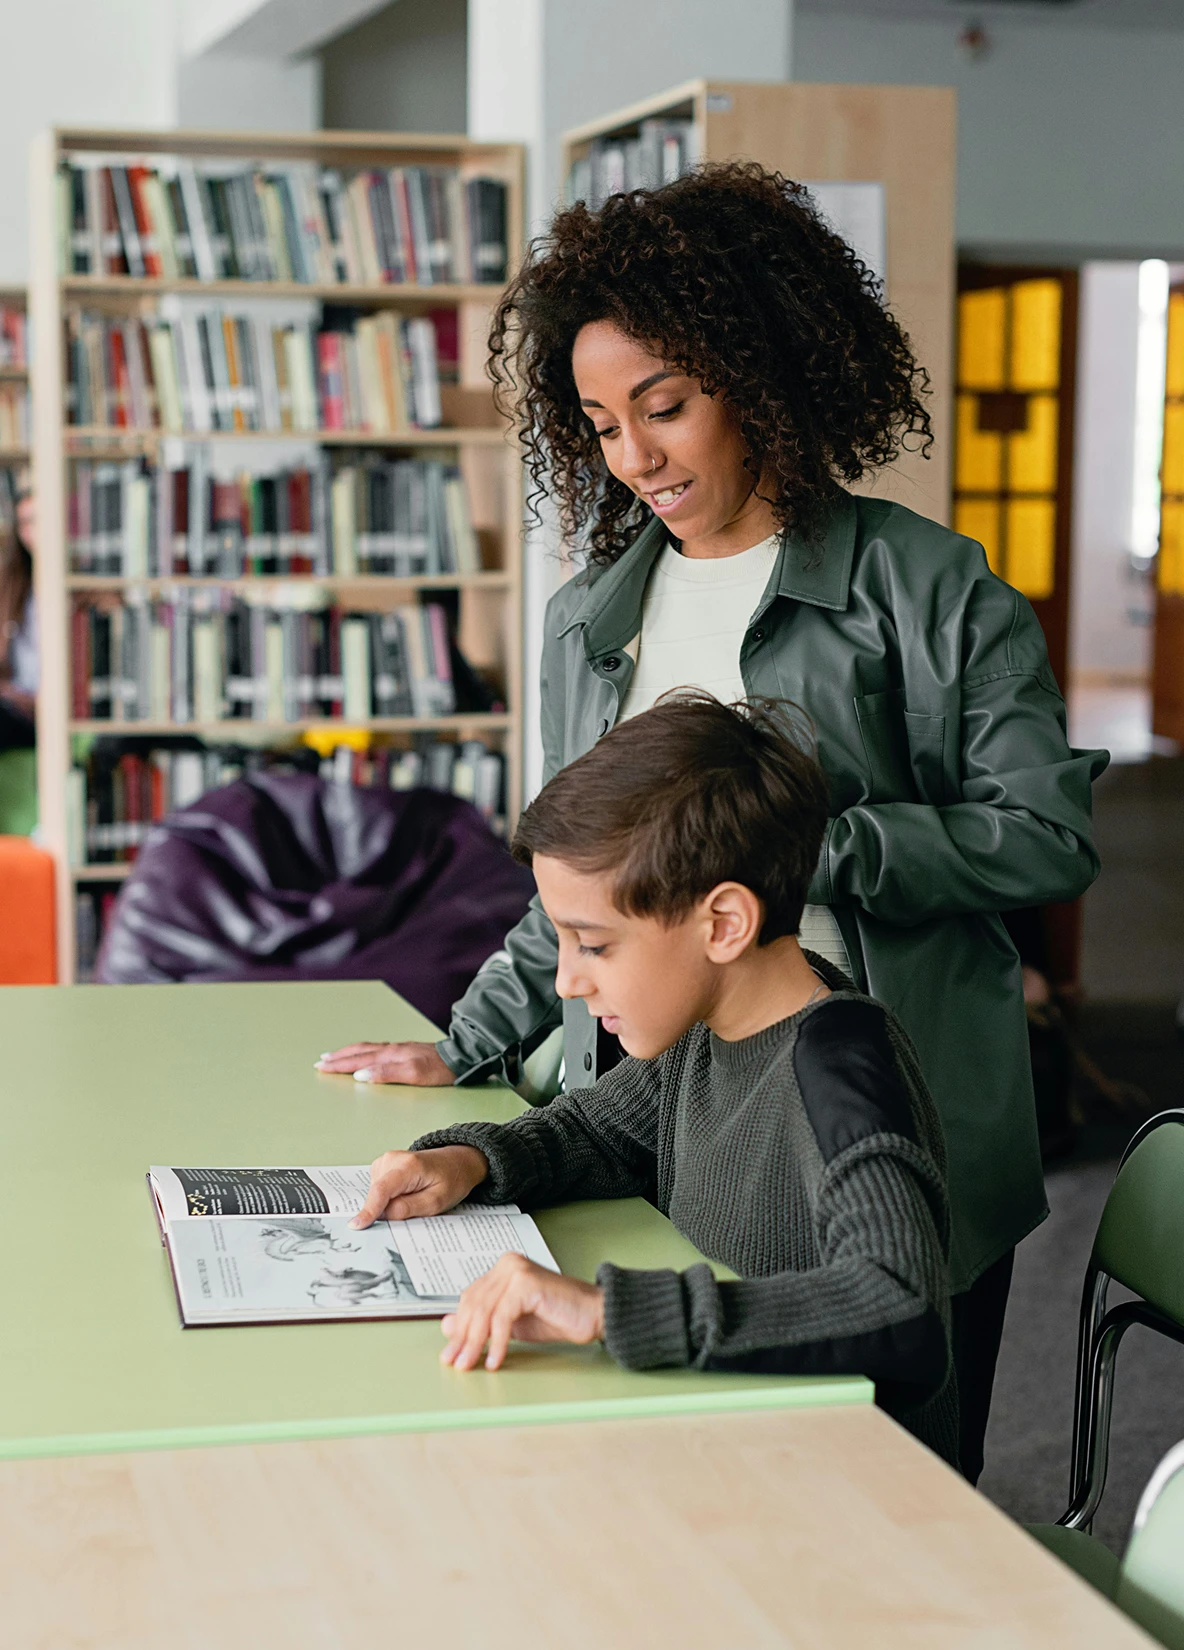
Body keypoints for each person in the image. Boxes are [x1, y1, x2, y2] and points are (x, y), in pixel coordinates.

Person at [318, 162, 1108, 1481]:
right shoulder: (593, 619)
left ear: (765, 373)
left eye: (666, 408)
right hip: (678, 1111)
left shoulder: (930, 588)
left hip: (888, 1107)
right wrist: (459, 1048)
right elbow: (580, 884)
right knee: (667, 1471)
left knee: (901, 1491)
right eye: (601, 420)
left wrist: (807, 847)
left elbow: (1046, 834)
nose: (635, 455)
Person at [352, 694, 957, 1463]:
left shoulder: (842, 1070)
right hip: (728, 1432)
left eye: (594, 946)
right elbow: (596, 1131)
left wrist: (609, 1312)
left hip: (845, 1487)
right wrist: (469, 1160)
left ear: (723, 924)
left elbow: (903, 1317)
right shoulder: (705, 1029)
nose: (566, 982)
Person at [0, 475, 36, 750]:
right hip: (16, 704)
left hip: (59, 705)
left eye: (37, 520)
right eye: (25, 523)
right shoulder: (12, 585)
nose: (31, 532)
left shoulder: (78, 586)